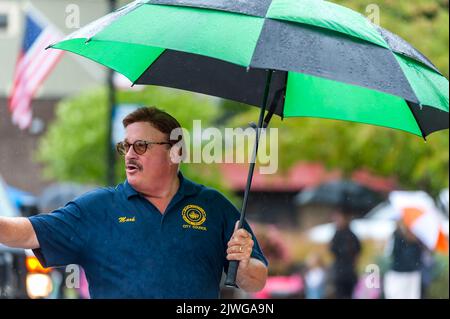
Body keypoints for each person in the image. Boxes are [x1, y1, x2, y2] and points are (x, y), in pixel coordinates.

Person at [0, 107, 268, 298]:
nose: (129, 154)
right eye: (125, 146)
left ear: (175, 152)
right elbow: (26, 232)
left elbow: (256, 280)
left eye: (140, 146)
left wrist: (243, 263)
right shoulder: (98, 208)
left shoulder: (214, 206)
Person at [383, 220, 424, 299]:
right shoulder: (398, 236)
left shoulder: (397, 236)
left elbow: (389, 253)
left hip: (404, 274)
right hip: (404, 274)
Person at [329, 209, 361, 299]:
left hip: (347, 272)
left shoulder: (350, 235)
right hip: (341, 272)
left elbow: (356, 251)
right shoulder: (337, 234)